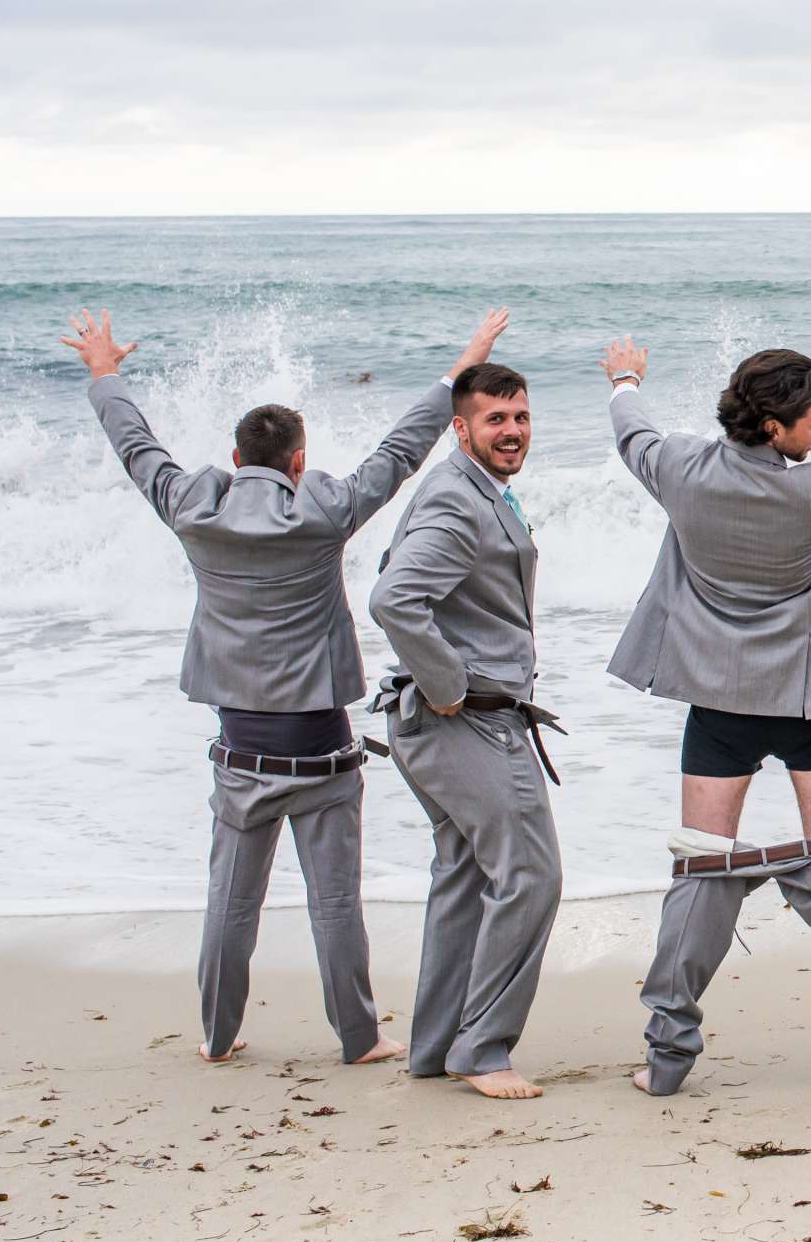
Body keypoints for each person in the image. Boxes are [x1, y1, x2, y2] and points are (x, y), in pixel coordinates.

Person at [64, 306, 504, 1068]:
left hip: (240, 752)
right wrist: (461, 366)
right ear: (298, 462)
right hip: (321, 753)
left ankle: (216, 1033)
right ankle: (359, 1037)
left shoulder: (191, 506)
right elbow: (399, 453)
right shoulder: (323, 510)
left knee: (231, 905)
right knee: (333, 904)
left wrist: (105, 370)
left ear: (236, 458)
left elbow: (135, 445)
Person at [603, 311, 811, 1097]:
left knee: (701, 875)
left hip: (717, 704)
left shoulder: (679, 470)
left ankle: (667, 1060)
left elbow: (631, 435)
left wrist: (624, 379)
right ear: (774, 425)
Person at [367, 345, 560, 1101]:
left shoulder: (475, 486)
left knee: (465, 876)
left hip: (446, 725)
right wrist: (446, 685)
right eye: (495, 419)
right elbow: (394, 600)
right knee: (531, 878)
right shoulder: (456, 497)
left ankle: (437, 1044)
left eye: (520, 416)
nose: (512, 430)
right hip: (466, 723)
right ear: (461, 428)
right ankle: (483, 1048)